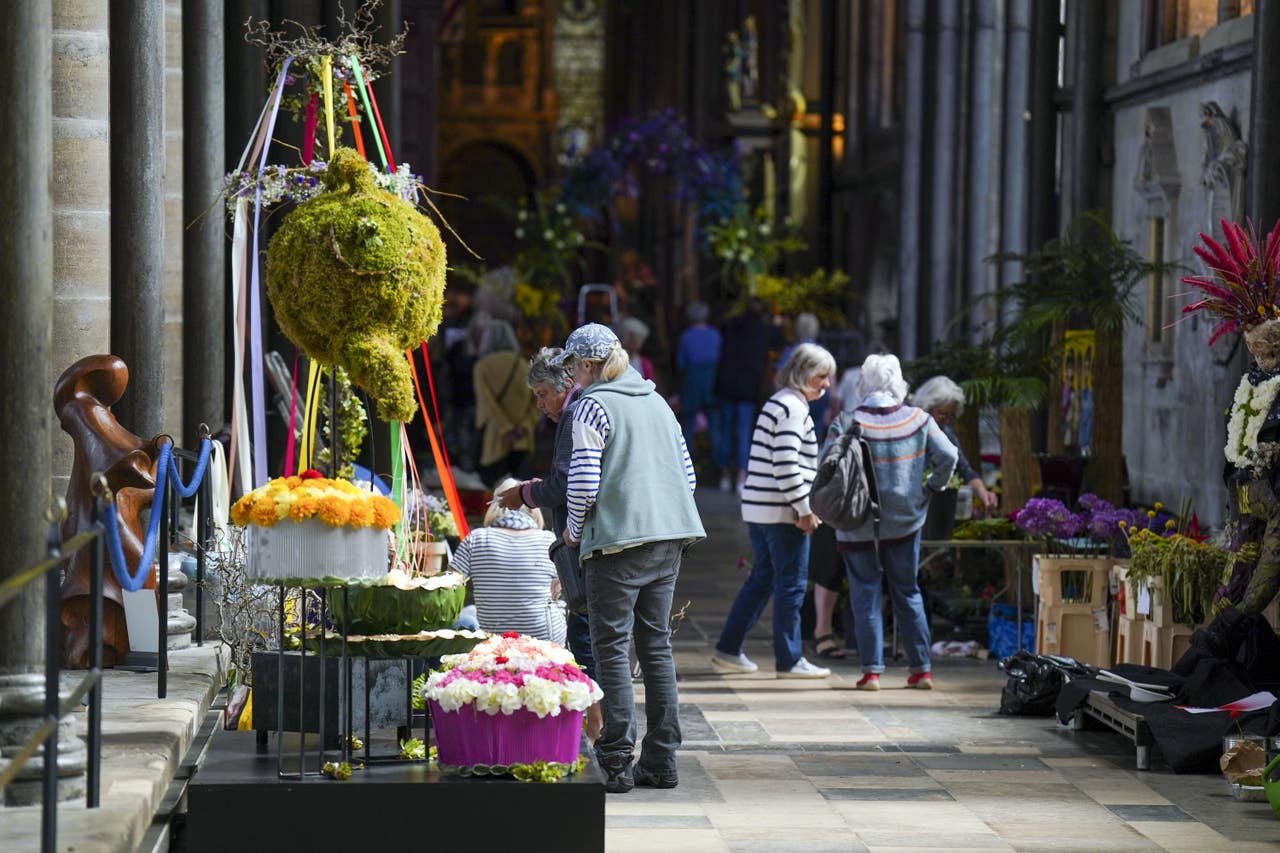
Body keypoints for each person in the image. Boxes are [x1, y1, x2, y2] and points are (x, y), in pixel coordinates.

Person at [555, 323, 705, 794]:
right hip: (670, 536)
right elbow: (688, 475)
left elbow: (582, 484)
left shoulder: (591, 407)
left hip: (617, 544)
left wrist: (573, 533)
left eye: (573, 368)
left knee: (612, 649)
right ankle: (661, 760)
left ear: (585, 365)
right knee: (656, 646)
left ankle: (616, 759)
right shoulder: (658, 402)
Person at [826, 354, 956, 691]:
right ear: (898, 382)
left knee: (864, 593)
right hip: (905, 521)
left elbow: (825, 466)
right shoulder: (919, 419)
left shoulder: (846, 421)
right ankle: (921, 669)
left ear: (863, 384)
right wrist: (931, 487)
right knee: (907, 591)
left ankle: (871, 672)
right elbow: (949, 456)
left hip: (856, 522)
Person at [711, 342, 836, 680]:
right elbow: (786, 464)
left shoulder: (779, 403)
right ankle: (790, 659)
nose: (826, 385)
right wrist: (805, 509)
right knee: (790, 586)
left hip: (761, 509)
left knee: (762, 580)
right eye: (821, 377)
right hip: (781, 513)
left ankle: (729, 648)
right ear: (802, 374)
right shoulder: (793, 408)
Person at [498, 347, 595, 678]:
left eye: (543, 395)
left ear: (566, 384)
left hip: (582, 542)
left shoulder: (574, 414)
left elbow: (567, 484)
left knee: (585, 637)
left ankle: (597, 725)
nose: (539, 405)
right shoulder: (584, 407)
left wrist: (525, 494)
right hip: (589, 538)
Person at [449, 483, 566, 644]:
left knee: (467, 616)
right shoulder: (549, 540)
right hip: (546, 637)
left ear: (495, 506)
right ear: (533, 509)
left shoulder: (476, 539)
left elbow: (448, 586)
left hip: (493, 638)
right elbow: (561, 590)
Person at [713, 299, 780, 493]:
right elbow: (776, 340)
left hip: (726, 384)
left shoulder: (731, 326)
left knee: (725, 430)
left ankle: (724, 474)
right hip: (748, 389)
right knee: (743, 432)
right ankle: (741, 476)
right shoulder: (764, 331)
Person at [907, 376, 998, 514]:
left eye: (951, 416)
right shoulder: (908, 430)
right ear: (928, 408)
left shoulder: (946, 433)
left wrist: (983, 492)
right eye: (943, 414)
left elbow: (964, 469)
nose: (947, 420)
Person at [472, 320, 538, 488]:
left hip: (493, 438)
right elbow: (536, 402)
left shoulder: (482, 367)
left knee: (493, 490)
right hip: (522, 439)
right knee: (520, 490)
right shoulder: (525, 366)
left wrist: (505, 428)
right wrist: (524, 426)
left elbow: (487, 403)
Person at [675, 302, 722, 465]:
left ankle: (685, 465)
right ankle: (719, 468)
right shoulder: (715, 335)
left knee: (687, 426)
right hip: (712, 382)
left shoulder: (686, 337)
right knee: (715, 426)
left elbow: (681, 363)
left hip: (692, 382)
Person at [774, 313, 827, 430]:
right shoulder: (823, 352)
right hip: (818, 400)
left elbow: (778, 380)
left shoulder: (790, 352)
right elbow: (831, 381)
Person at [618, 316, 657, 386]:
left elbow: (651, 386)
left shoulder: (645, 364)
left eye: (636, 341)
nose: (633, 345)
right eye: (630, 340)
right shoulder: (616, 363)